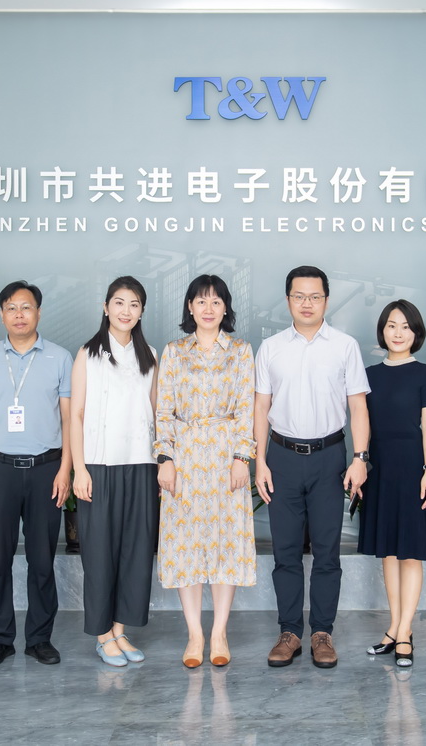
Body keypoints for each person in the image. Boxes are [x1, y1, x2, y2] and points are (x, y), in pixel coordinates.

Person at [255, 265, 370, 670]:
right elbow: (261, 407)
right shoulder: (270, 348)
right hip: (281, 457)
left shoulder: (344, 346)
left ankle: (322, 633)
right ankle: (289, 632)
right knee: (285, 552)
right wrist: (259, 461)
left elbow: (358, 406)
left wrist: (360, 458)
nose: (307, 303)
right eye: (299, 296)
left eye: (315, 296)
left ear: (326, 300)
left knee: (327, 552)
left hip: (329, 457)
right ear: (288, 299)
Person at [0, 281, 73, 668]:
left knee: (42, 561)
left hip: (46, 469)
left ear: (39, 312)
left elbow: (69, 419)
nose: (19, 315)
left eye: (26, 307)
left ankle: (39, 638)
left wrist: (65, 469)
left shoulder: (60, 358)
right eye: (11, 308)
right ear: (2, 315)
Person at [155, 274, 256, 668]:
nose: (208, 308)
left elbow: (246, 408)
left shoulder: (241, 351)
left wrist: (241, 457)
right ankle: (195, 634)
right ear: (190, 307)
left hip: (225, 459)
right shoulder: (175, 352)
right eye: (201, 301)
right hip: (184, 460)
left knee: (225, 543)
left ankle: (219, 633)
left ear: (225, 307)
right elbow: (163, 410)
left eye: (216, 301)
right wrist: (165, 458)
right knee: (187, 544)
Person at [70, 276, 160, 667]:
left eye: (134, 304)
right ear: (106, 307)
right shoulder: (87, 354)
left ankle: (120, 631)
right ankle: (102, 635)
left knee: (136, 552)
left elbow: (157, 413)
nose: (126, 311)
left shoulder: (150, 355)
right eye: (119, 303)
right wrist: (79, 469)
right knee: (100, 553)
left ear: (141, 311)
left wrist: (162, 463)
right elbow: (75, 415)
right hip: (99, 466)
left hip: (141, 465)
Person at [358, 300, 426, 668]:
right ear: (382, 330)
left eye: (406, 326)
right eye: (392, 325)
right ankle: (394, 628)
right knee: (389, 554)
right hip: (379, 469)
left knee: (410, 552)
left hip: (412, 469)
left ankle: (406, 631)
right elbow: (362, 424)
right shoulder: (368, 375)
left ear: (416, 333)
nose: (398, 332)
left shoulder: (425, 374)